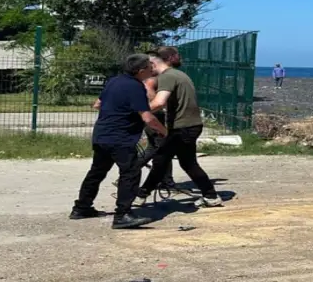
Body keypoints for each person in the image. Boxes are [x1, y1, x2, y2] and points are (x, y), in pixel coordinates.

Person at [69, 54, 168, 229]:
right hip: (120, 138)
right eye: (149, 67)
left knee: (97, 172)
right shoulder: (135, 87)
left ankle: (81, 208)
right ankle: (123, 215)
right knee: (130, 173)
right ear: (140, 70)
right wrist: (164, 132)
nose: (152, 69)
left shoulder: (114, 81)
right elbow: (147, 117)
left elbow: (97, 104)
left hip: (102, 135)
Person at [135, 47, 224, 208]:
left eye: (147, 68)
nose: (147, 72)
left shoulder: (167, 77)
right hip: (189, 125)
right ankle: (211, 196)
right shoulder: (178, 75)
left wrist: (137, 113)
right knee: (188, 163)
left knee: (161, 160)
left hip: (182, 127)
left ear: (153, 65)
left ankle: (141, 195)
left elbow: (159, 102)